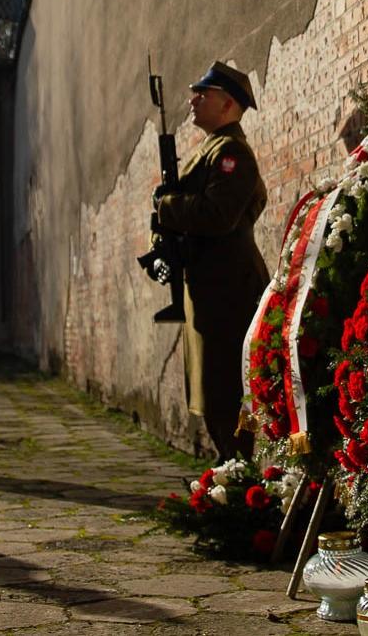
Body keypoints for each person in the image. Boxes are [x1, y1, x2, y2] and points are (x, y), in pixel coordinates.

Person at [155, 61, 269, 460]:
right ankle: (229, 477)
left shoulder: (231, 153)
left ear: (227, 105)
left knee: (227, 392)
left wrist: (167, 205)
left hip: (229, 291)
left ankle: (239, 478)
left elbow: (217, 216)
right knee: (210, 392)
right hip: (209, 289)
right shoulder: (209, 151)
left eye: (203, 94)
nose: (193, 100)